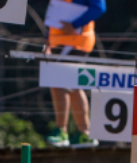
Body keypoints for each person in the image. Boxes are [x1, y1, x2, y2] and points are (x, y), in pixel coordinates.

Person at [45, 0, 107, 148]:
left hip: (75, 41)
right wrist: (49, 40)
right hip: (60, 41)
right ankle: (84, 134)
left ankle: (62, 131)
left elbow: (99, 7)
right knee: (73, 85)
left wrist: (74, 25)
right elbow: (56, 11)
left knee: (59, 82)